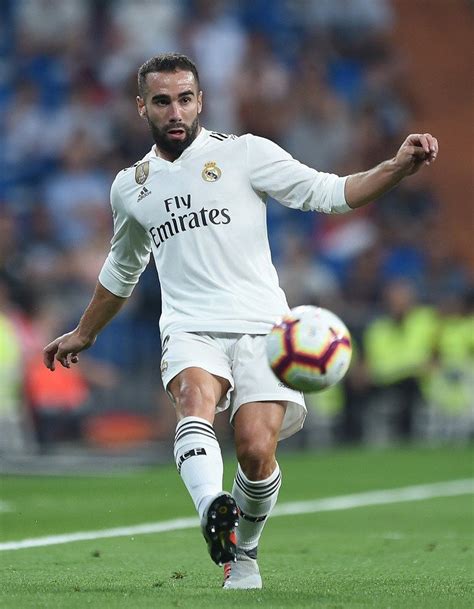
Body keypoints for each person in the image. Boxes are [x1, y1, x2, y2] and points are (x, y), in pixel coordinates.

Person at [43, 53, 438, 589]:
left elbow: (329, 193)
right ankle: (212, 507)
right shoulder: (130, 187)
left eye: (185, 98)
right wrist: (85, 331)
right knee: (194, 400)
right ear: (142, 108)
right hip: (189, 327)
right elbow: (122, 269)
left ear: (201, 100)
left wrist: (396, 167)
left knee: (255, 450)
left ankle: (243, 551)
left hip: (264, 330)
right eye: (162, 101)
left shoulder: (246, 154)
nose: (176, 110)